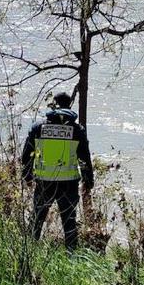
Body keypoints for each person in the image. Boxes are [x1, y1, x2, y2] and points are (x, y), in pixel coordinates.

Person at [21, 92, 94, 250]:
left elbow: (26, 155)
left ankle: (29, 252)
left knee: (37, 220)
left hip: (44, 182)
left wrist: (26, 176)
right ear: (69, 105)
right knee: (69, 222)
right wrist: (88, 181)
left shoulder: (38, 128)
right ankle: (71, 256)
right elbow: (84, 159)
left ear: (53, 105)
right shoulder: (77, 130)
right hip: (68, 184)